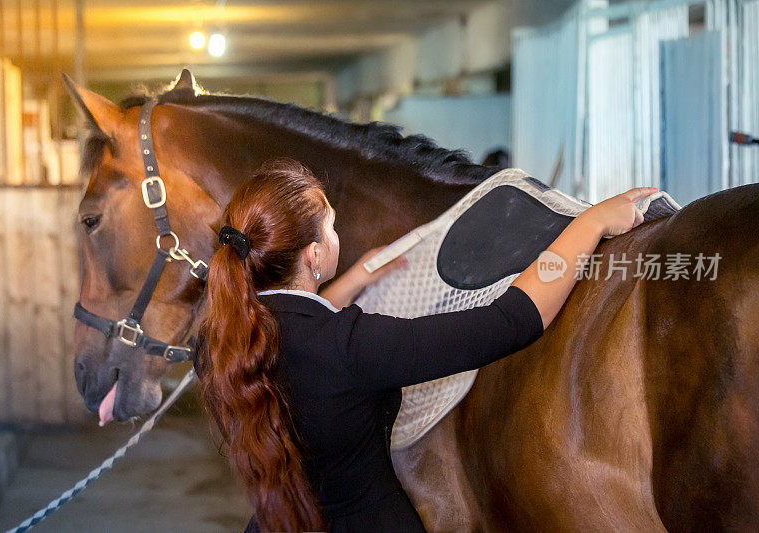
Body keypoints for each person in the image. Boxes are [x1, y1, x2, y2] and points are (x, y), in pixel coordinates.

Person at [194, 158, 658, 532]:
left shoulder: (217, 344)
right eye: (331, 227)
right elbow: (513, 319)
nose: (338, 236)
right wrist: (591, 223)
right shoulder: (353, 347)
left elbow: (293, 324)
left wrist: (357, 277)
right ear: (314, 255)